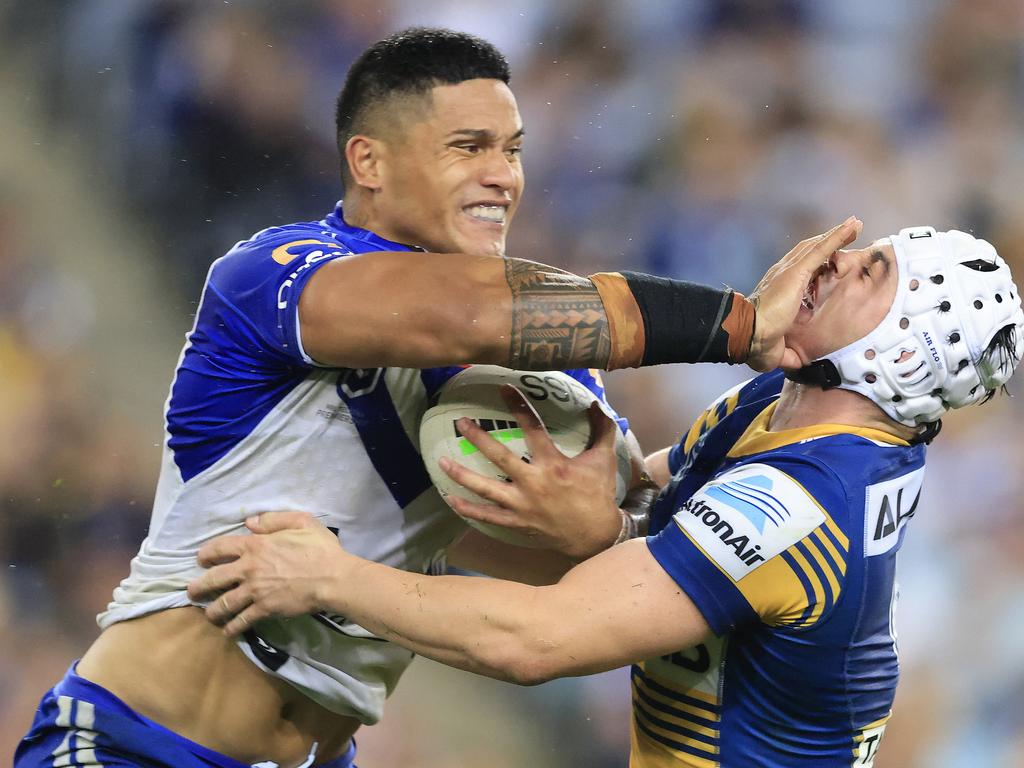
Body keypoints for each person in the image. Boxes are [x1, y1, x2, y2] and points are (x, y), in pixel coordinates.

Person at [15, 27, 857, 768]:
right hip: (134, 743)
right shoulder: (274, 276)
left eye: (515, 149)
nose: (503, 177)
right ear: (368, 160)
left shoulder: (533, 376)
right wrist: (736, 324)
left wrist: (593, 528)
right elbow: (458, 313)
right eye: (469, 147)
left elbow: (560, 590)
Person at [189, 227, 1023, 767]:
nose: (834, 256)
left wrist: (328, 577)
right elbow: (635, 499)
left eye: (872, 271)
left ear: (904, 358)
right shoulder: (783, 410)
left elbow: (534, 643)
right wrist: (609, 515)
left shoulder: (807, 502)